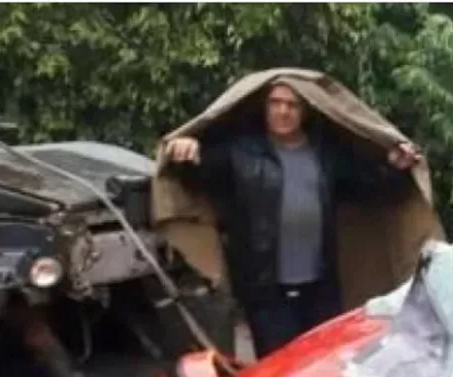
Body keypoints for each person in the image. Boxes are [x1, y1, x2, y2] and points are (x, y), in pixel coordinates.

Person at [163, 82, 420, 357]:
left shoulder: (325, 153)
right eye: (275, 102)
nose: (282, 111)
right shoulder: (240, 152)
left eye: (292, 104)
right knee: (277, 374)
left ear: (306, 110)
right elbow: (197, 179)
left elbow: (368, 189)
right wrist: (186, 153)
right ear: (265, 107)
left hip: (321, 290)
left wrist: (394, 167)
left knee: (322, 368)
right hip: (267, 293)